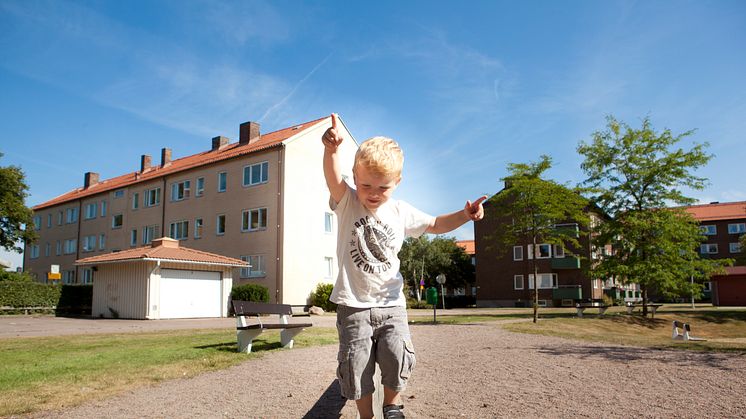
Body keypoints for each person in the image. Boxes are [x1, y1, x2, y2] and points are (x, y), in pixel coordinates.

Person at [322, 114, 485, 419]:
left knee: (397, 356)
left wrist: (465, 215)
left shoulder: (400, 211)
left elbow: (435, 224)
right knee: (357, 364)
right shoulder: (348, 201)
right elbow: (332, 178)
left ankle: (392, 405)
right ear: (355, 177)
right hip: (353, 305)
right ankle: (366, 415)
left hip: (392, 303)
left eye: (382, 187)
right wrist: (332, 150)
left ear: (397, 182)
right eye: (366, 184)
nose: (372, 193)